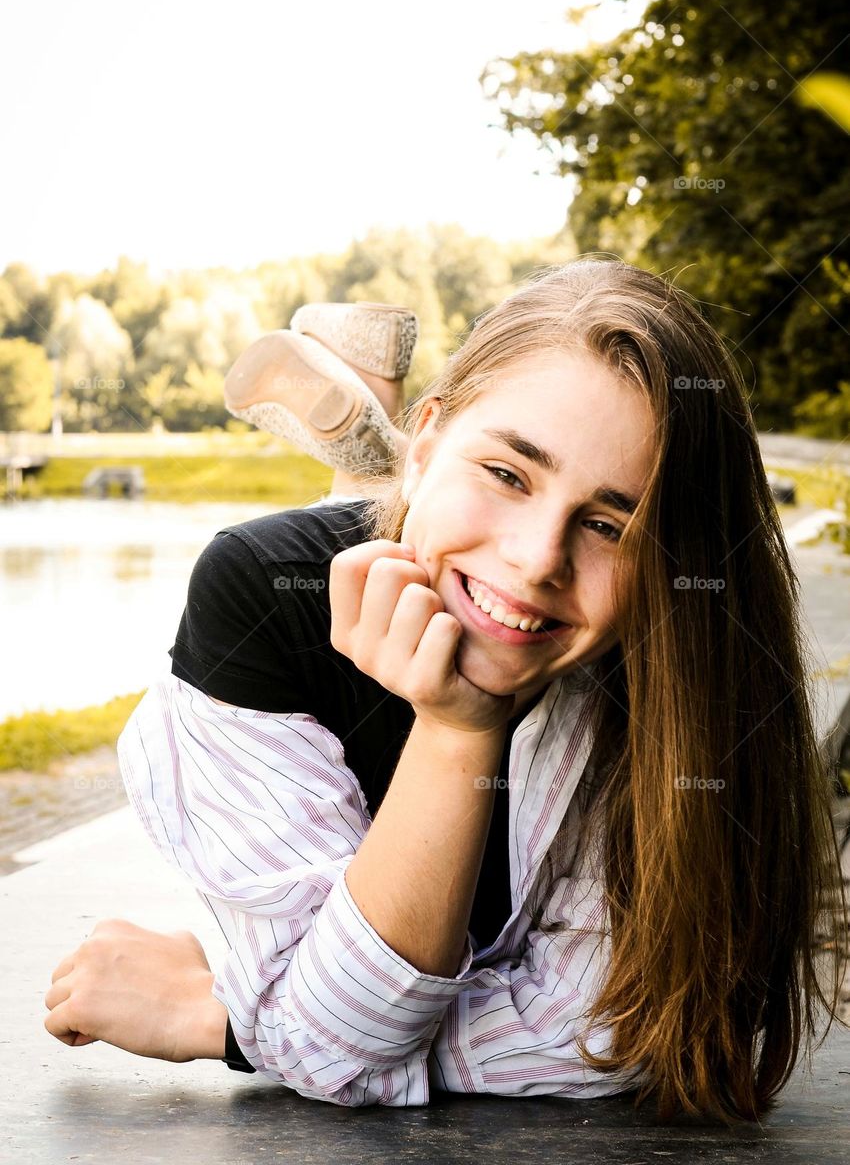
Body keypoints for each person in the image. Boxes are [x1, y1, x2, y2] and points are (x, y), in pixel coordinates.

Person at [43, 259, 847, 1124]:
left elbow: (620, 1028)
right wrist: (458, 731)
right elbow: (523, 1025)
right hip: (367, 533)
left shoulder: (687, 667)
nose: (539, 558)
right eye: (508, 473)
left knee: (450, 556)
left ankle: (371, 448)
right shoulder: (258, 598)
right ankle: (376, 462)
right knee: (396, 551)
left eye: (612, 523)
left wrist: (227, 1017)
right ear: (428, 443)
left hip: (439, 519)